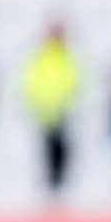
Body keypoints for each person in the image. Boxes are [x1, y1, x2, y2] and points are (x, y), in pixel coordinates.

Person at [24, 21, 79, 191]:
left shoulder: (66, 55)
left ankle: (61, 176)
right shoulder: (43, 55)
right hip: (46, 107)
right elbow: (33, 79)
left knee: (61, 144)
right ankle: (51, 176)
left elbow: (74, 79)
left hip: (61, 107)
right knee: (48, 144)